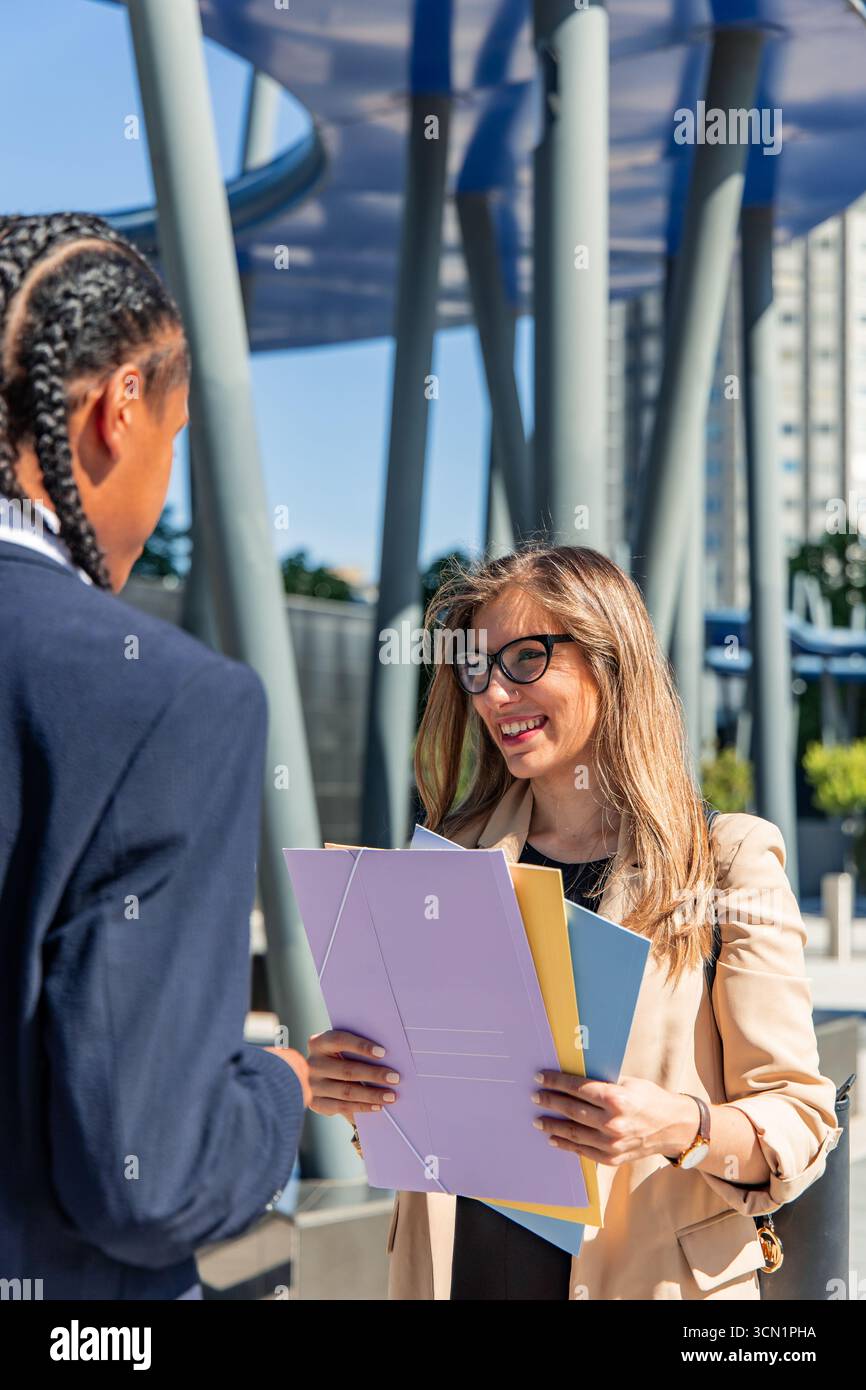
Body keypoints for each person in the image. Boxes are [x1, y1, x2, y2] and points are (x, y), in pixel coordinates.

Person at [308, 543, 842, 1300]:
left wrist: (681, 1128)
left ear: (610, 658)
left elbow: (800, 1121)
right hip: (465, 1275)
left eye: (526, 659)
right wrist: (359, 1090)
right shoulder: (446, 861)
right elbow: (417, 1122)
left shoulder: (728, 861)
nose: (494, 694)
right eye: (477, 670)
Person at [0, 213, 309, 1300]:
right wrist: (275, 1089)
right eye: (173, 441)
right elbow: (146, 1180)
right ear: (113, 412)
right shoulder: (171, 701)